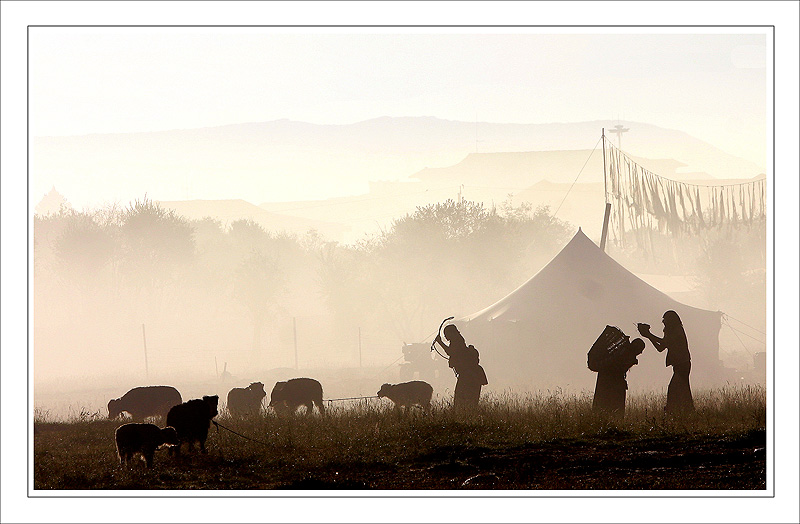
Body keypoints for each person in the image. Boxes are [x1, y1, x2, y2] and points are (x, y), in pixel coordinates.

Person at [638, 310, 694, 414]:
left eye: (665, 320)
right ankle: (685, 412)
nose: (663, 322)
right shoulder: (674, 330)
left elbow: (663, 343)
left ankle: (672, 412)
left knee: (674, 389)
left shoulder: (676, 331)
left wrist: (648, 334)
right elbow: (661, 347)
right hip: (681, 364)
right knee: (682, 390)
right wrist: (648, 335)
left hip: (682, 364)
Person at [434, 324, 488, 409]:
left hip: (470, 375)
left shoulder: (457, 340)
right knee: (465, 400)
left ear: (451, 333)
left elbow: (450, 352)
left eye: (446, 334)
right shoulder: (457, 340)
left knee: (464, 400)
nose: (445, 336)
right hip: (470, 375)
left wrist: (440, 342)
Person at [591, 337, 645, 419]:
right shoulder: (625, 354)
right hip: (613, 384)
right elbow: (618, 368)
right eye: (640, 349)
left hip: (607, 381)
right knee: (614, 409)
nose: (640, 352)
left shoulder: (621, 351)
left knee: (603, 407)